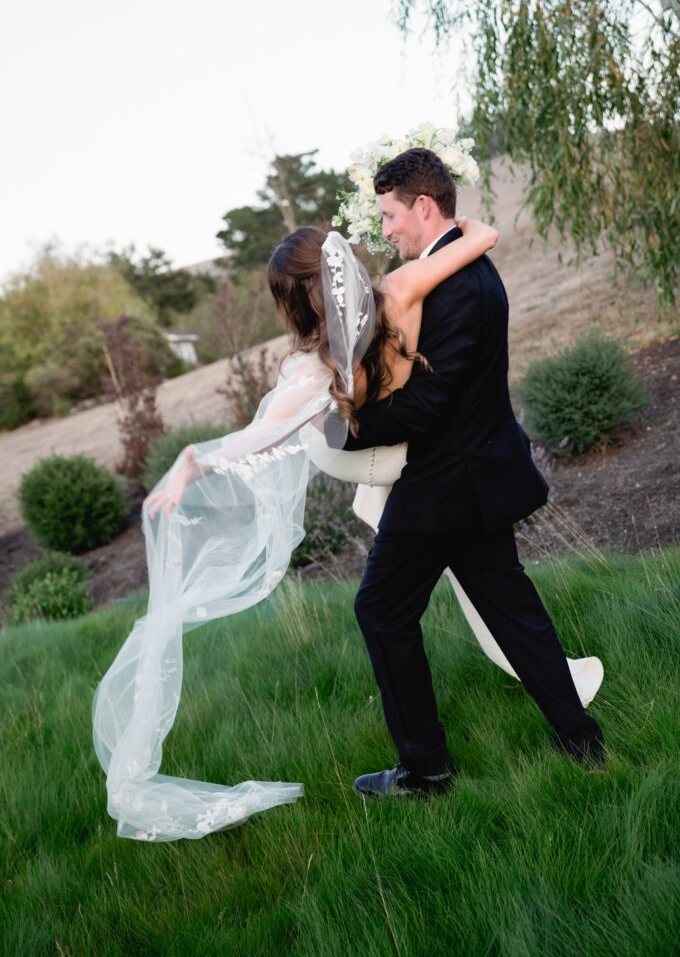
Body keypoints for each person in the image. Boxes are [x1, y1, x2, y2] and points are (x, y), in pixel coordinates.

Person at [92, 210, 502, 841]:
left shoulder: (319, 364)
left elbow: (260, 436)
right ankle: (555, 724)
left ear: (294, 301)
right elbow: (483, 236)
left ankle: (428, 769)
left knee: (384, 610)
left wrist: (191, 462)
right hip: (425, 466)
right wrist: (458, 221)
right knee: (482, 584)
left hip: (390, 470)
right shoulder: (396, 291)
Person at [335, 148, 605, 800]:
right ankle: (581, 740)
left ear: (424, 207)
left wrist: (349, 426)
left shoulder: (454, 285)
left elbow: (427, 406)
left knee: (381, 611)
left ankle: (425, 772)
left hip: (444, 487)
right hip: (478, 477)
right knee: (511, 610)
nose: (386, 230)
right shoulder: (463, 265)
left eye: (391, 216)